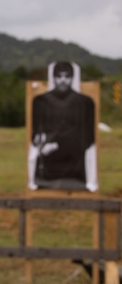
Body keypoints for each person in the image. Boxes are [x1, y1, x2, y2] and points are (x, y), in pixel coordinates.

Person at [28, 60, 97, 192]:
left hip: (75, 166)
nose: (63, 80)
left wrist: (58, 144)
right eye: (59, 76)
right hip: (47, 166)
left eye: (67, 76)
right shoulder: (40, 101)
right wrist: (40, 140)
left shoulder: (84, 102)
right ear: (53, 78)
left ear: (72, 78)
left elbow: (88, 136)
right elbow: (36, 130)